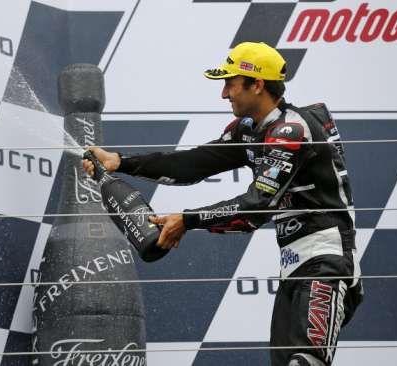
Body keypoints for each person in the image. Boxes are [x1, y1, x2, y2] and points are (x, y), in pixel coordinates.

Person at [83, 42, 363, 366]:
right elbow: (191, 165)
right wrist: (120, 162)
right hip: (294, 266)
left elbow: (256, 209)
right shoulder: (249, 130)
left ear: (257, 84)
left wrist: (188, 220)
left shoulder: (291, 130)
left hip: (327, 263)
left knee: (305, 363)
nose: (224, 93)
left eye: (230, 83)